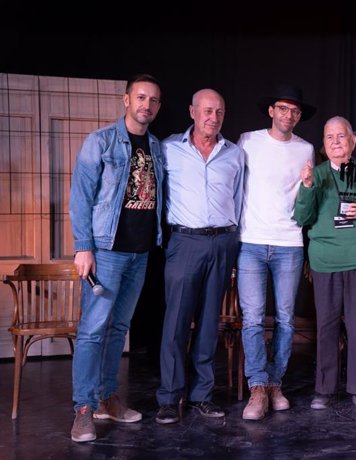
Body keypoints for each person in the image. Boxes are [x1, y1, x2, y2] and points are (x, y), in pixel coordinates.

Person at [68, 74, 164, 442]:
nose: (147, 105)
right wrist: (83, 246)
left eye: (154, 100)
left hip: (139, 253)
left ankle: (107, 399)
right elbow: (81, 195)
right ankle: (82, 408)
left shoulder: (155, 146)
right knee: (92, 332)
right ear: (126, 100)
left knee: (119, 331)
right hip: (106, 252)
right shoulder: (101, 142)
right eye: (141, 97)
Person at [155, 89, 244, 424]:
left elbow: (236, 198)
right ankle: (169, 396)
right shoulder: (167, 149)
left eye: (219, 112)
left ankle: (201, 396)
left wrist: (232, 239)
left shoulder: (234, 153)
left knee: (209, 323)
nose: (213, 117)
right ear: (192, 112)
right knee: (176, 321)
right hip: (185, 241)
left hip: (222, 242)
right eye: (207, 111)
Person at [293, 116, 356, 412]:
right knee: (326, 326)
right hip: (326, 261)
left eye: (341, 136)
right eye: (329, 137)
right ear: (323, 144)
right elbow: (302, 217)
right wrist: (307, 186)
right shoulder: (316, 175)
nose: (336, 142)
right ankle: (324, 388)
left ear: (353, 141)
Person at [236, 83, 316, 420]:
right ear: (271, 111)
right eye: (282, 108)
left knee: (285, 319)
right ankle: (257, 386)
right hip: (251, 241)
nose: (288, 115)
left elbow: (307, 198)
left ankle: (274, 384)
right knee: (253, 318)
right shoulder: (247, 141)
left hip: (289, 244)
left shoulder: (307, 148)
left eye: (294, 111)